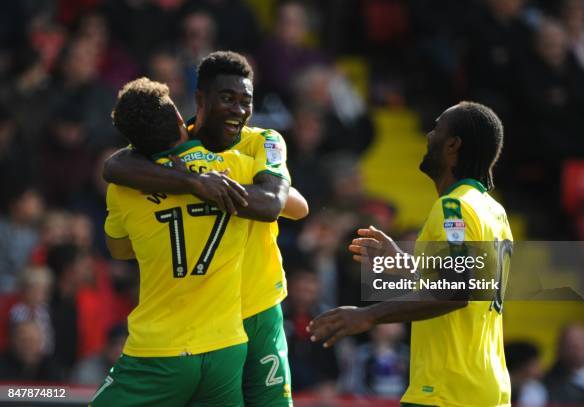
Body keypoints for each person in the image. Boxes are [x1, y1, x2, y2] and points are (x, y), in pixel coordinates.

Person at [103, 51, 308, 406]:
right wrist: (196, 182)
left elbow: (285, 205)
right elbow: (114, 164)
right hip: (208, 322)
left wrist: (207, 184)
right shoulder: (172, 147)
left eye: (246, 101)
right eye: (228, 99)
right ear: (200, 99)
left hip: (257, 307)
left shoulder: (264, 141)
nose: (239, 110)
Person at [308, 101, 513, 406]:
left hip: (447, 388)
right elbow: (463, 284)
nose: (429, 136)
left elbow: (456, 292)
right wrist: (404, 264)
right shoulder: (493, 211)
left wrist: (367, 315)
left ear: (453, 145)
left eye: (437, 128)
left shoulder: (453, 207)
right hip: (486, 387)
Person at [92, 77, 258, 406]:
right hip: (226, 347)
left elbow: (119, 249)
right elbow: (294, 206)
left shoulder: (124, 188)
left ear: (133, 143)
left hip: (158, 350)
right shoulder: (236, 166)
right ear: (181, 119)